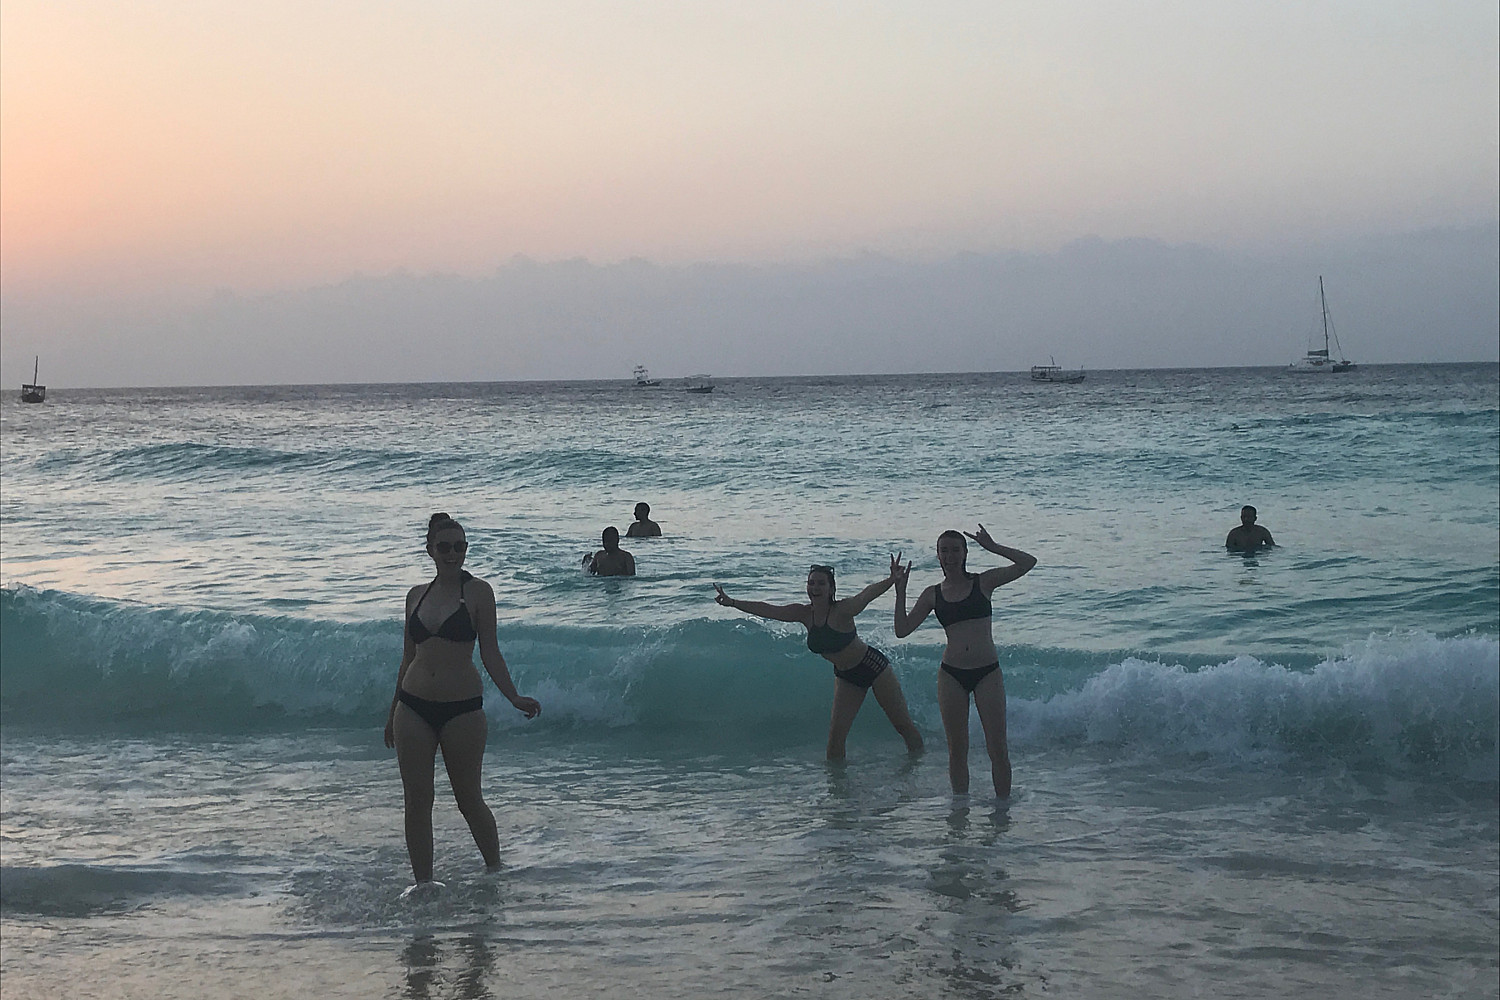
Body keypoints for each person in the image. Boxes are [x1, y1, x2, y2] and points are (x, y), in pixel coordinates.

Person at [385, 513, 541, 890]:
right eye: (445, 547)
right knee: (417, 802)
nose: (453, 553)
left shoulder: (479, 593)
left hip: (463, 709)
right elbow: (408, 658)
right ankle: (423, 885)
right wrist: (392, 713)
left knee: (468, 799)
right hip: (413, 706)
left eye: (460, 546)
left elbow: (491, 652)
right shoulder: (414, 596)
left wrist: (514, 696)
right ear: (430, 551)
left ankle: (495, 873)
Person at [714, 560, 924, 759]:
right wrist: (732, 602)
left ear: (831, 589)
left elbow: (865, 596)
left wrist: (891, 579)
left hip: (873, 667)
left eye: (821, 583)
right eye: (811, 582)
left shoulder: (842, 610)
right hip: (846, 676)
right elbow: (768, 609)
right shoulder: (804, 614)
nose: (815, 587)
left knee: (903, 726)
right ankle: (838, 792)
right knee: (834, 742)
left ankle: (918, 770)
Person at [894, 525, 1036, 797]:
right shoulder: (933, 593)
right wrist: (900, 590)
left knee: (998, 748)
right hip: (951, 675)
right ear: (938, 556)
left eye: (955, 550)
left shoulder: (983, 582)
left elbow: (1027, 562)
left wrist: (993, 547)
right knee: (957, 751)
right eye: (944, 551)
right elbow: (902, 629)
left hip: (987, 673)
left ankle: (1001, 814)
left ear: (965, 553)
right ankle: (960, 815)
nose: (949, 556)